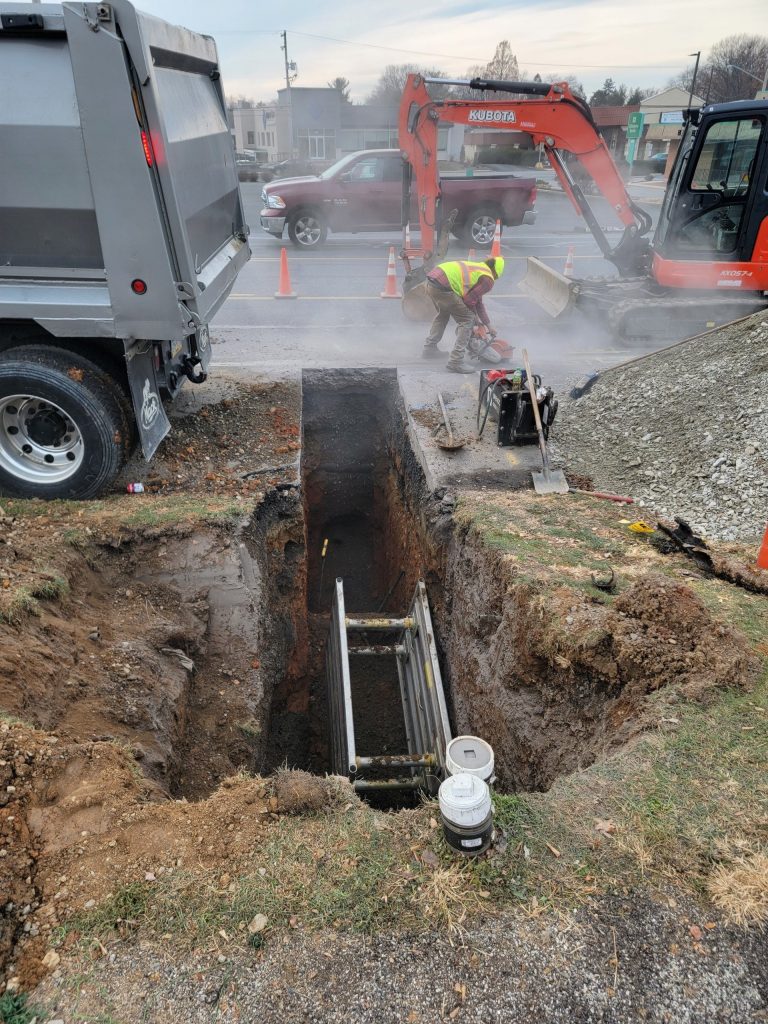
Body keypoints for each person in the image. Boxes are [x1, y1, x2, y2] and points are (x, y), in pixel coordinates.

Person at [422, 256, 505, 374]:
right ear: (496, 273)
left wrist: (488, 326)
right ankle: (456, 361)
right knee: (467, 320)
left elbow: (478, 302)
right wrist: (476, 321)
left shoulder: (480, 269)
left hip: (431, 283)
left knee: (443, 314)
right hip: (443, 287)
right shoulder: (488, 279)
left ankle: (429, 348)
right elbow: (469, 301)